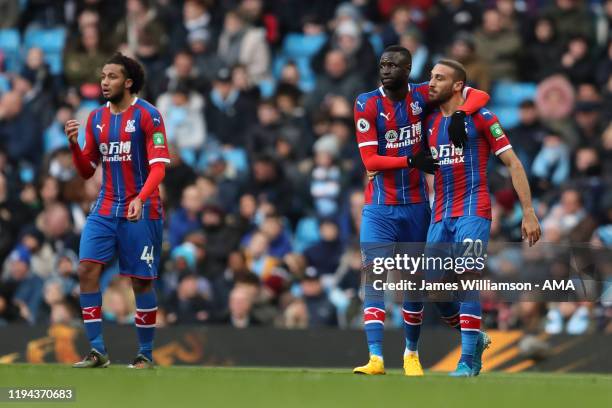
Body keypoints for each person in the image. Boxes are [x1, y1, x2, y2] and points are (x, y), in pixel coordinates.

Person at [352, 45, 490, 376]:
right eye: (382, 64)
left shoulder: (420, 97)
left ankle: (411, 354)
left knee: (417, 283)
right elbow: (370, 161)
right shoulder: (365, 102)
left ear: (408, 69)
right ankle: (375, 358)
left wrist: (458, 114)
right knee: (374, 276)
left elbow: (479, 94)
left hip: (416, 206)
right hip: (379, 207)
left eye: (393, 65)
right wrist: (411, 159)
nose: (385, 69)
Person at [423, 59, 541, 376]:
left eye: (439, 78)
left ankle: (468, 360)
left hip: (474, 209)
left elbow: (514, 164)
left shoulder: (484, 118)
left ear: (458, 85)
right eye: (430, 77)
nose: (431, 83)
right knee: (431, 288)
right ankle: (475, 338)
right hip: (440, 214)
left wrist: (528, 212)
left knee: (467, 275)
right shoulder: (430, 121)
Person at [64, 52, 170, 369]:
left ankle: (145, 355)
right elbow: (87, 170)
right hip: (106, 207)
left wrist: (142, 196)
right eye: (102, 76)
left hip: (143, 208)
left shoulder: (149, 115)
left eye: (111, 76)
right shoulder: (96, 119)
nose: (104, 82)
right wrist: (73, 144)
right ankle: (97, 351)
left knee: (141, 282)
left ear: (128, 81)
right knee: (86, 269)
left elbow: (159, 167)